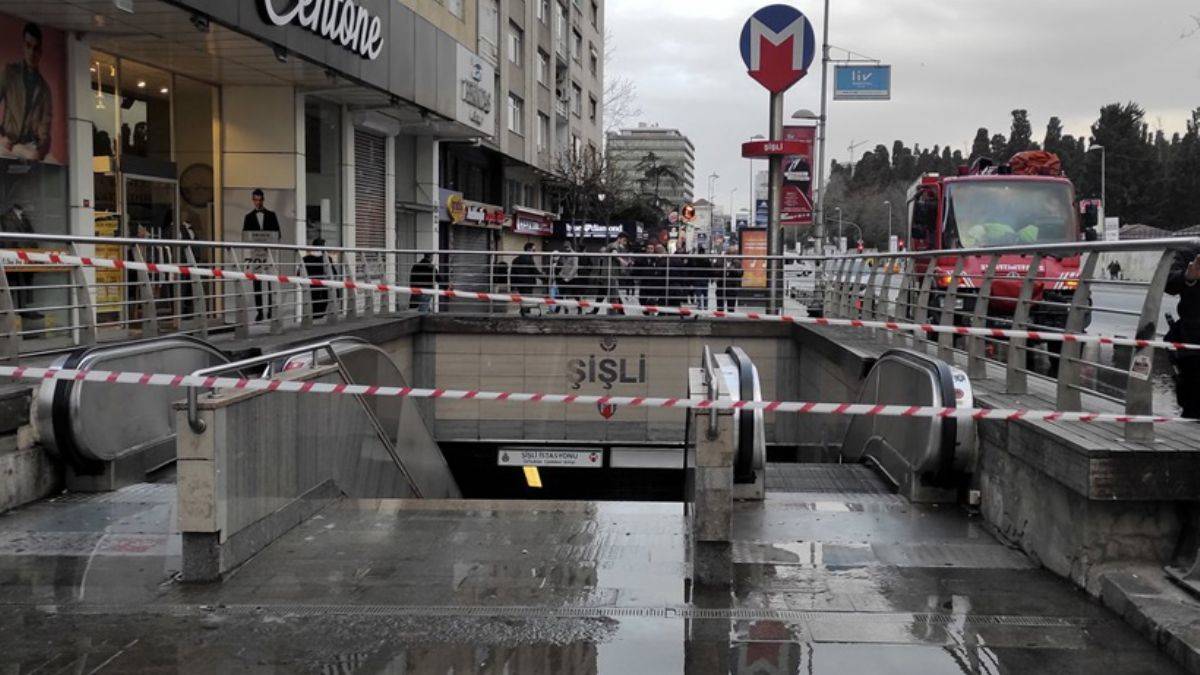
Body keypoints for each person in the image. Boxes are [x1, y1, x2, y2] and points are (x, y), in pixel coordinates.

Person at [0, 23, 53, 161]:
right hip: (6, 142)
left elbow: (45, 131)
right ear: (23, 46)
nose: (31, 53)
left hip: (28, 147)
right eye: (28, 46)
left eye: (35, 48)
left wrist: (38, 151)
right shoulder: (10, 73)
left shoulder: (44, 90)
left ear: (40, 52)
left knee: (49, 162)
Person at [1166, 245, 1200, 419]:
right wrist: (1188, 277)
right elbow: (1168, 282)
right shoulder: (1189, 250)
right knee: (1193, 403)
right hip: (1194, 339)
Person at [242, 189, 281, 320]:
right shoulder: (248, 217)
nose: (257, 202)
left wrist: (267, 241)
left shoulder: (271, 215)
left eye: (259, 200)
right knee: (257, 281)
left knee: (270, 281)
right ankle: (260, 311)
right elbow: (245, 236)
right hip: (255, 254)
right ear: (253, 200)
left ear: (263, 200)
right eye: (255, 200)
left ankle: (270, 310)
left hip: (269, 252)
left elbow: (278, 234)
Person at [1, 203, 39, 318]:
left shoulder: (25, 218)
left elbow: (32, 235)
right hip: (14, 255)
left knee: (25, 281)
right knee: (13, 282)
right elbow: (10, 238)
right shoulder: (6, 218)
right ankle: (11, 310)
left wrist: (35, 251)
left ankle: (23, 308)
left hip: (26, 255)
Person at [302, 238, 331, 319]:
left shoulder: (305, 259)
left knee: (311, 308)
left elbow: (300, 274)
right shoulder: (327, 259)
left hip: (310, 288)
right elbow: (333, 273)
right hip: (323, 288)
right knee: (321, 309)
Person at [510, 243, 542, 316]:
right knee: (527, 299)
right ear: (529, 249)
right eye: (533, 250)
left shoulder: (516, 259)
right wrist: (544, 277)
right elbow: (534, 271)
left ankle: (523, 312)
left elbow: (512, 273)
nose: (534, 252)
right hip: (528, 283)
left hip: (519, 283)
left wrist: (512, 286)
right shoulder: (529, 259)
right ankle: (525, 313)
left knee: (523, 298)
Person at [716, 244, 743, 312]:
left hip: (732, 287)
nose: (731, 256)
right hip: (721, 286)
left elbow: (741, 273)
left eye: (733, 254)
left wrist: (733, 270)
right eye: (730, 254)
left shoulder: (737, 262)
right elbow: (715, 271)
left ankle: (730, 317)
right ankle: (720, 317)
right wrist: (724, 270)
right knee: (720, 307)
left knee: (731, 307)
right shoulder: (720, 260)